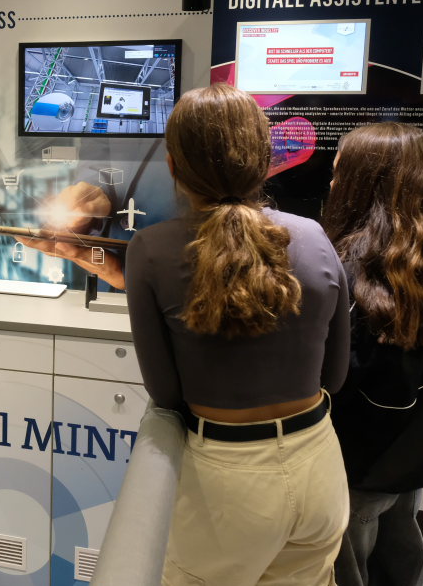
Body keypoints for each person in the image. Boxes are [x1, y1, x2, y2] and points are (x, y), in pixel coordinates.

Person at [125, 83, 351, 585]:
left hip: (227, 484)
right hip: (318, 464)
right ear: (265, 159)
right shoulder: (314, 237)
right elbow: (334, 377)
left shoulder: (151, 250)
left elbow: (166, 393)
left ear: (173, 166)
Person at [322, 122, 423, 586]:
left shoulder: (353, 267)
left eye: (339, 173)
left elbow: (336, 374)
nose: (331, 184)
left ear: (362, 185)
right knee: (398, 555)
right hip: (414, 457)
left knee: (348, 565)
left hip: (356, 462)